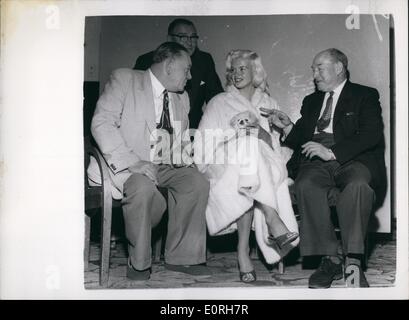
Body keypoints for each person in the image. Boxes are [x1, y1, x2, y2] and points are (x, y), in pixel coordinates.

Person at [261, 48, 386, 288]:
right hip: (315, 161)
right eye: (313, 69)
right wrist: (287, 126)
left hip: (352, 158)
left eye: (320, 68)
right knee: (306, 184)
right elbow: (302, 136)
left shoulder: (365, 95)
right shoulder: (311, 101)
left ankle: (353, 263)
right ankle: (330, 260)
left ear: (339, 68)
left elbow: (371, 134)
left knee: (358, 185)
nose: (314, 74)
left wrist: (332, 152)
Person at [88, 42, 211, 281]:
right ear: (169, 65)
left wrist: (184, 156)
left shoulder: (181, 98)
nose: (190, 76)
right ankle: (139, 263)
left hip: (162, 164)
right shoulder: (125, 79)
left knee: (196, 181)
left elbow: (179, 140)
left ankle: (183, 257)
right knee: (142, 187)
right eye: (187, 69)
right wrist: (132, 162)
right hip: (127, 164)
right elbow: (102, 123)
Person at [194, 50, 299, 283]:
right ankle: (272, 220)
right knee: (246, 158)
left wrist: (259, 132)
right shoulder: (218, 102)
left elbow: (274, 144)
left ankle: (243, 251)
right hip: (227, 163)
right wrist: (236, 132)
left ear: (256, 72)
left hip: (265, 163)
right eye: (233, 69)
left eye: (243, 69)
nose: (236, 74)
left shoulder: (269, 104)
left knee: (252, 157)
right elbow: (203, 141)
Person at [134, 18, 223, 129]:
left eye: (193, 37)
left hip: (192, 129)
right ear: (170, 39)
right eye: (183, 37)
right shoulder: (148, 60)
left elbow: (216, 97)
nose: (189, 42)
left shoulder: (204, 60)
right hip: (153, 129)